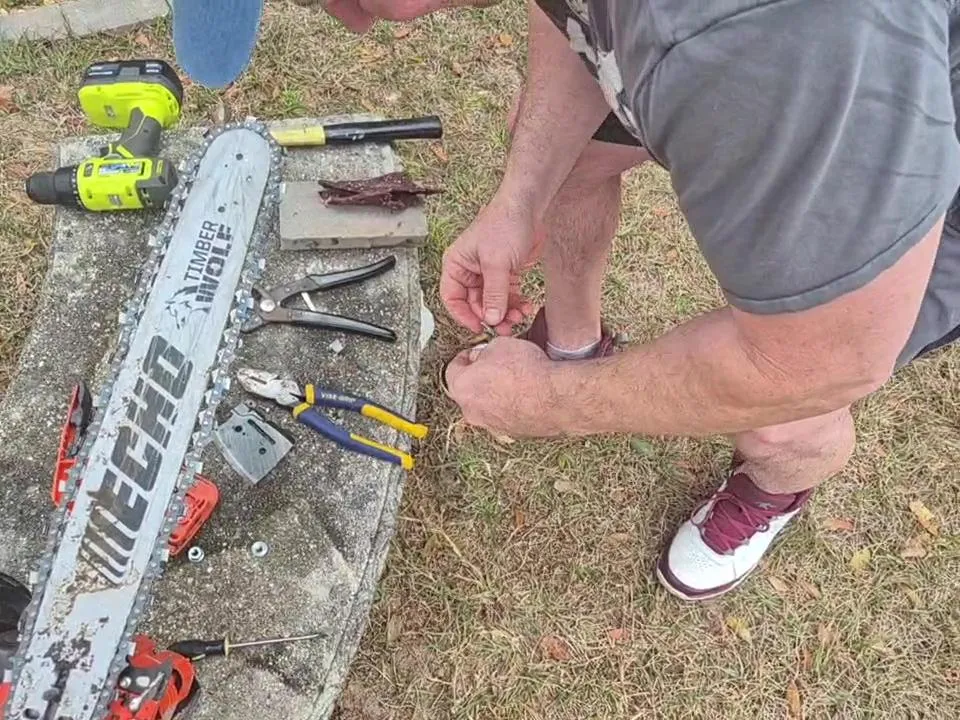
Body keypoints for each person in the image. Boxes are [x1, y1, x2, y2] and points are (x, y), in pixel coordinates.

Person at [171, 0, 960, 601]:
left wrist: (550, 405)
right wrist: (520, 200)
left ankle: (774, 487)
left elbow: (817, 359)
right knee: (572, 158)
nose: (348, 20)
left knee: (787, 407)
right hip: (788, 71)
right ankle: (575, 341)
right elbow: (577, 19)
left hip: (912, 154)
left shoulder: (754, 46)